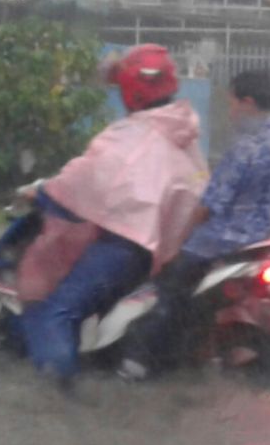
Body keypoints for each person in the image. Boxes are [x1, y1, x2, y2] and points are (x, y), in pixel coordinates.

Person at [17, 44, 207, 385]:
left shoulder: (132, 136)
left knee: (55, 314)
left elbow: (84, 177)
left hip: (121, 249)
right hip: (155, 256)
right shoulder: (184, 133)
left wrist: (43, 192)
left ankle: (57, 405)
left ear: (131, 92)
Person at [118, 70, 270, 379]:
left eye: (232, 104)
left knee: (166, 289)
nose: (230, 113)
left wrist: (177, 244)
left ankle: (136, 365)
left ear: (248, 102)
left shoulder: (245, 149)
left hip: (219, 242)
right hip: (261, 242)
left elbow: (208, 206)